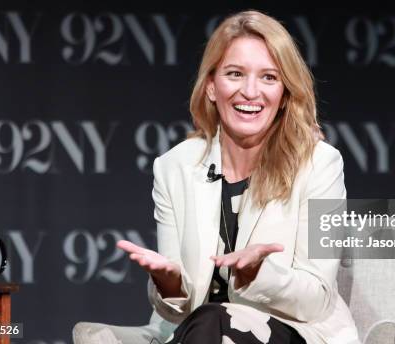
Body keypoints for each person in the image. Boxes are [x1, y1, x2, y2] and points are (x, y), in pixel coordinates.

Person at [117, 10, 359, 344]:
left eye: (269, 78)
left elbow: (316, 299)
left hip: (293, 331)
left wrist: (258, 274)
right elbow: (178, 310)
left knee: (213, 320)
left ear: (285, 94)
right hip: (201, 331)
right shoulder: (174, 168)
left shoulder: (320, 164)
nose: (250, 91)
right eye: (235, 74)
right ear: (212, 87)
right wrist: (170, 284)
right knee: (207, 322)